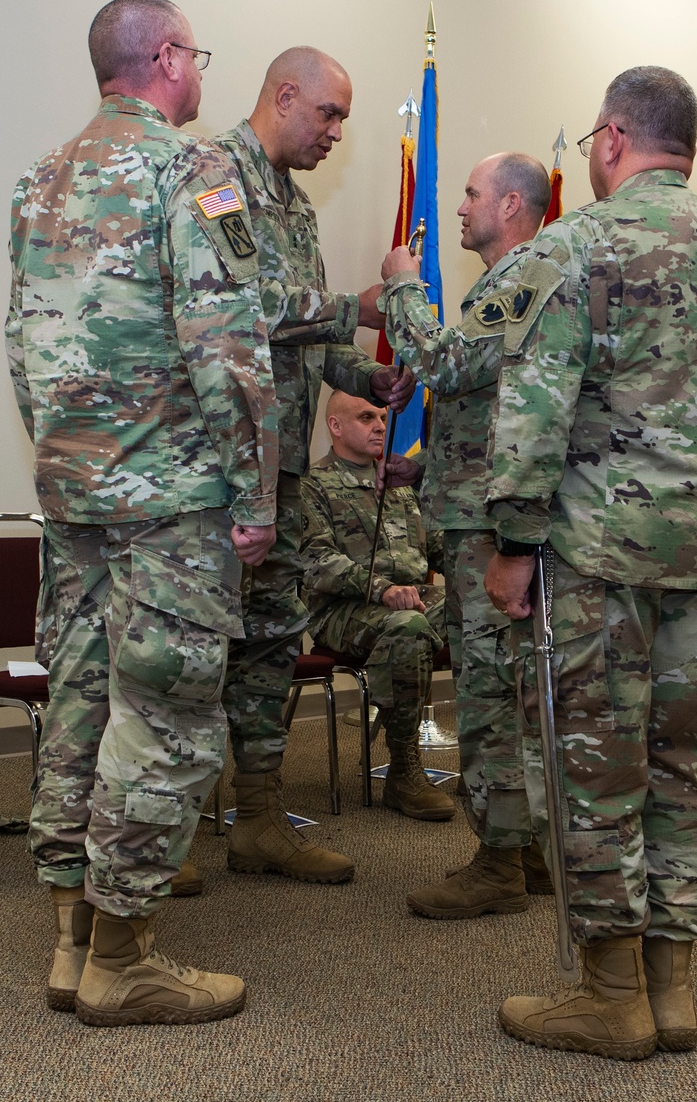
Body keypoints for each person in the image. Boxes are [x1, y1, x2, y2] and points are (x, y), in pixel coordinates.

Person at [481, 67, 697, 1060]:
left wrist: (514, 541)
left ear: (612, 140)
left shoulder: (574, 245)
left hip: (597, 562)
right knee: (685, 768)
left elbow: (531, 406)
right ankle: (673, 991)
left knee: (594, 769)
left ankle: (609, 994)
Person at [6, 0, 279, 1025]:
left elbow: (21, 348)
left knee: (79, 702)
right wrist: (254, 493)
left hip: (75, 497)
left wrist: (67, 460)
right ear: (167, 58)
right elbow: (229, 349)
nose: (199, 71)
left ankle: (74, 940)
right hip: (170, 502)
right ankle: (124, 959)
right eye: (195, 53)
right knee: (161, 720)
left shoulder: (40, 180)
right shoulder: (194, 172)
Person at [215, 48, 413, 885]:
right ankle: (155, 830)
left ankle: (258, 816)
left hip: (284, 465)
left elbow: (306, 339)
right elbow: (227, 303)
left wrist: (368, 373)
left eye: (343, 120)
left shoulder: (295, 207)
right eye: (328, 114)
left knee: (265, 643)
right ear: (283, 95)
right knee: (194, 646)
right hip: (221, 464)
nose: (337, 133)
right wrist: (353, 306)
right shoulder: (216, 179)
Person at [379, 152, 552, 915]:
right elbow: (494, 405)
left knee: (488, 693)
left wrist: (400, 287)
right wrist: (432, 471)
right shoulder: (519, 279)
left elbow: (446, 366)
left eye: (472, 195)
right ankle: (534, 847)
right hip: (486, 505)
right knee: (514, 690)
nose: (459, 207)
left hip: (490, 529)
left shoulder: (518, 278)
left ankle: (499, 862)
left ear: (511, 203)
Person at [299, 392, 454, 820]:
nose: (381, 427)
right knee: (407, 627)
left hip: (412, 599)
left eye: (383, 417)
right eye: (366, 417)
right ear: (335, 426)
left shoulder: (399, 485)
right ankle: (404, 770)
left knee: (486, 617)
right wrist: (382, 588)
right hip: (342, 611)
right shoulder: (312, 486)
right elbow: (316, 562)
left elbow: (438, 547)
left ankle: (495, 764)